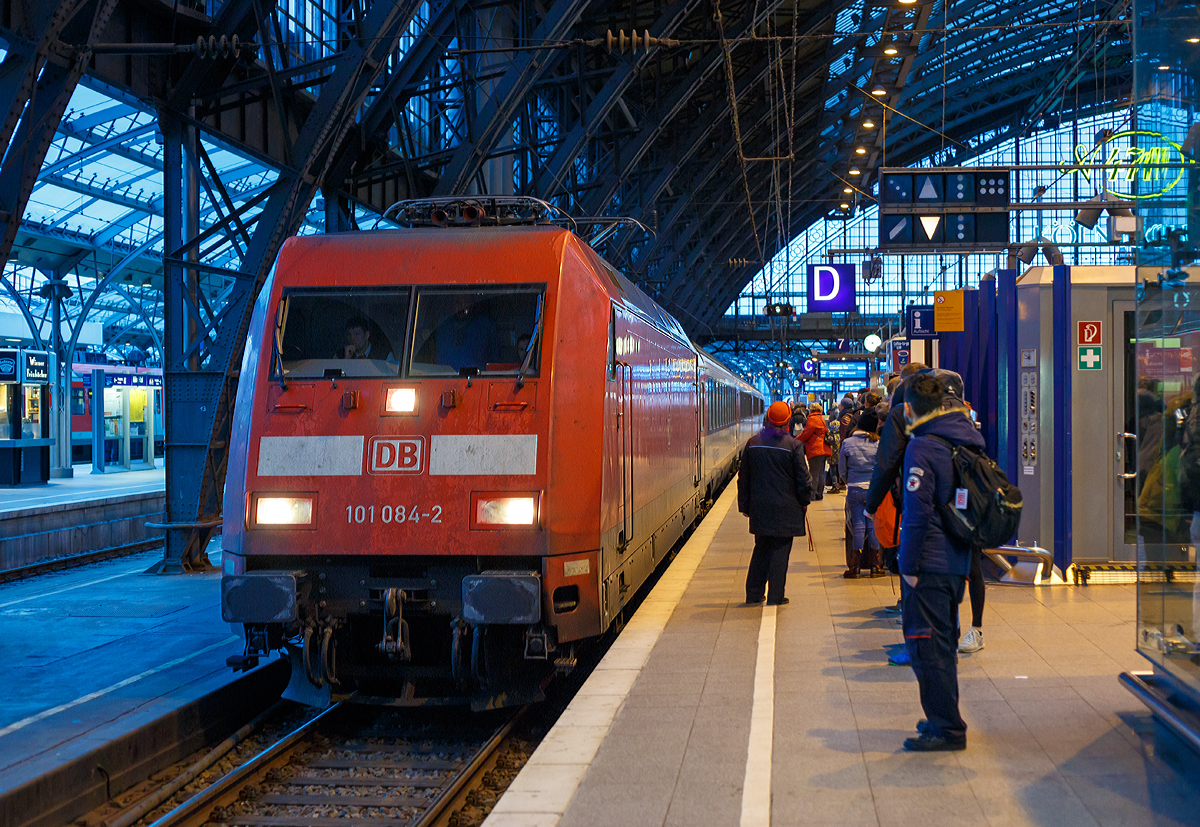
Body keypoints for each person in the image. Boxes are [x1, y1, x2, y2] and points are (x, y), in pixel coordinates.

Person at [898, 373, 985, 751]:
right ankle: (943, 717)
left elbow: (916, 514)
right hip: (956, 559)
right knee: (944, 644)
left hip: (929, 563)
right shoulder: (964, 437)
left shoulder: (922, 447)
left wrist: (908, 566)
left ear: (909, 408)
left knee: (926, 647)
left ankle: (947, 729)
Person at [738, 401, 812, 606]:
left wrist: (744, 505)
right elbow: (803, 479)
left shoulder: (753, 443)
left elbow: (743, 478)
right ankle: (775, 595)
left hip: (760, 508)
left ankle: (753, 594)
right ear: (788, 420)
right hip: (786, 509)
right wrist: (804, 500)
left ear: (768, 418)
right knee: (780, 551)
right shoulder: (794, 446)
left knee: (761, 548)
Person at [839, 409, 882, 578]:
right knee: (872, 525)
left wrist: (849, 481)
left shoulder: (847, 443)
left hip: (855, 488)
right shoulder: (878, 444)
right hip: (873, 489)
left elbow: (842, 469)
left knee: (858, 525)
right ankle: (875, 566)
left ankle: (855, 567)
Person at [797, 402, 832, 500]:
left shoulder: (812, 419)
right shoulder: (821, 418)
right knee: (821, 473)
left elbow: (806, 434)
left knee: (813, 473)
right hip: (823, 448)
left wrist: (795, 440)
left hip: (816, 449)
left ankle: (812, 495)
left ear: (811, 409)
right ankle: (819, 494)